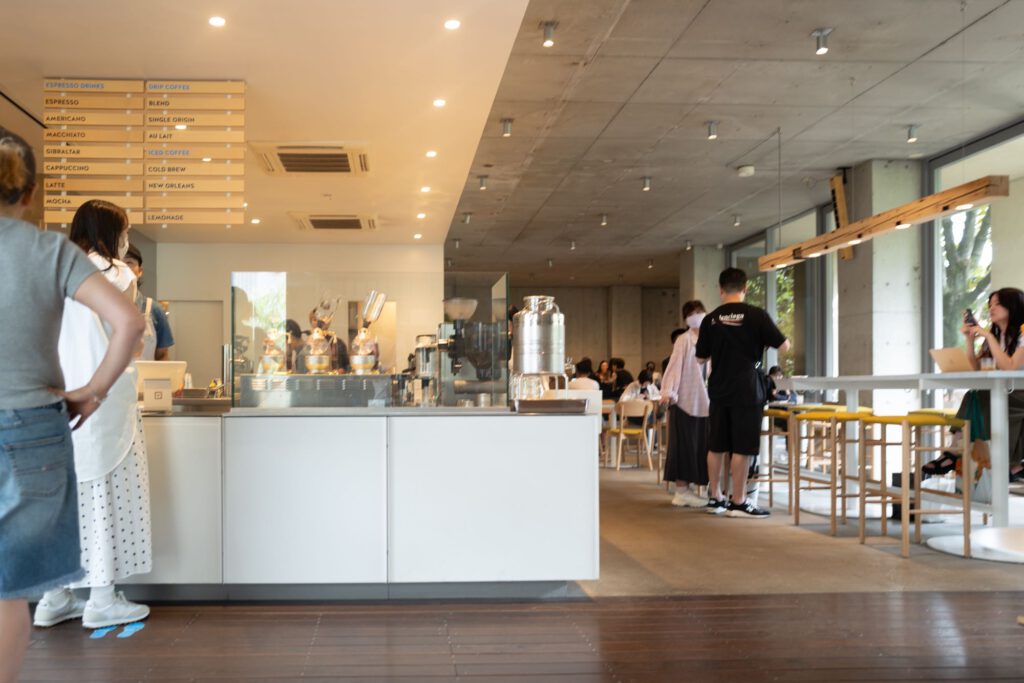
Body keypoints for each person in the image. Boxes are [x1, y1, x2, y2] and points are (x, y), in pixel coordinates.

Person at [0, 131, 144, 683]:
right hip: (36, 422)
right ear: (31, 191)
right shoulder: (49, 251)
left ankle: (62, 598)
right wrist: (93, 390)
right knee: (13, 589)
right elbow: (129, 324)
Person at [35, 200, 155, 630]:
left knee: (65, 498)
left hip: (56, 395)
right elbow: (130, 335)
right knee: (105, 495)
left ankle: (53, 596)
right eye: (124, 231)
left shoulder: (55, 267)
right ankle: (102, 599)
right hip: (102, 398)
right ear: (110, 232)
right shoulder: (116, 272)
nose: (128, 241)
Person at [695, 267, 790, 519]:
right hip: (748, 388)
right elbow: (785, 345)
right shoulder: (756, 315)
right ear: (745, 288)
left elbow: (700, 358)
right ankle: (738, 501)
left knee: (716, 445)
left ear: (721, 289)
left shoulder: (711, 319)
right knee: (742, 447)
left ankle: (716, 498)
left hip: (718, 388)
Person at [926, 288, 1024, 479]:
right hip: (1004, 392)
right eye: (990, 305)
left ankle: (954, 454)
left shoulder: (1022, 334)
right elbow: (976, 367)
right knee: (974, 394)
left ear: (1012, 306)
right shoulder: (997, 338)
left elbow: (1010, 366)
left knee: (980, 395)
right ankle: (954, 452)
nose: (992, 308)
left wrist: (987, 336)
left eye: (997, 304)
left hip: (1020, 394)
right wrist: (970, 340)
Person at [660, 301, 711, 508]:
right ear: (686, 319)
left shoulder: (713, 338)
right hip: (685, 400)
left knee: (705, 447)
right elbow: (674, 366)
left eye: (699, 312)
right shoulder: (683, 340)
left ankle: (707, 489)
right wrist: (668, 391)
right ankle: (681, 491)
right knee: (683, 446)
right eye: (691, 314)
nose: (696, 316)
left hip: (709, 402)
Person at [122, 245, 174, 361]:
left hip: (146, 378)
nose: (124, 267)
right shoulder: (102, 306)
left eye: (129, 262)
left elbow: (162, 356)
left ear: (140, 271)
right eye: (119, 262)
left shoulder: (154, 309)